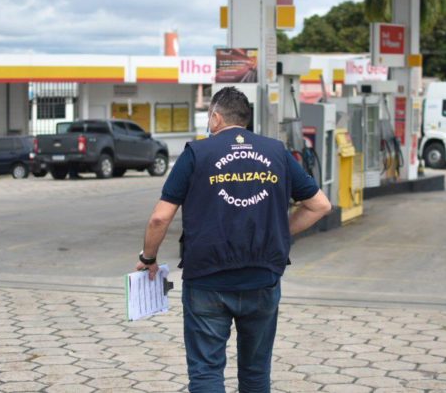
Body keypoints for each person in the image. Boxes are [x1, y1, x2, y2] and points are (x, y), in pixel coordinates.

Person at [135, 86, 332, 393]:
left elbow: (160, 217)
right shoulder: (276, 152)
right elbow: (320, 205)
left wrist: (148, 258)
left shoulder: (196, 153)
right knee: (255, 372)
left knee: (206, 371)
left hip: (207, 281)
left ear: (215, 118)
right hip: (263, 278)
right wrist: (278, 232)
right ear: (245, 119)